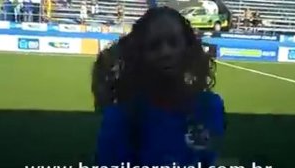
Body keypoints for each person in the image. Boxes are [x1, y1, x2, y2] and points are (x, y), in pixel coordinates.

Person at [92, 7, 226, 167]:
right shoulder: (122, 116)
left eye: (173, 42)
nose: (166, 52)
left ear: (188, 48)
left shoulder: (209, 107)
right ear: (140, 54)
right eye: (155, 45)